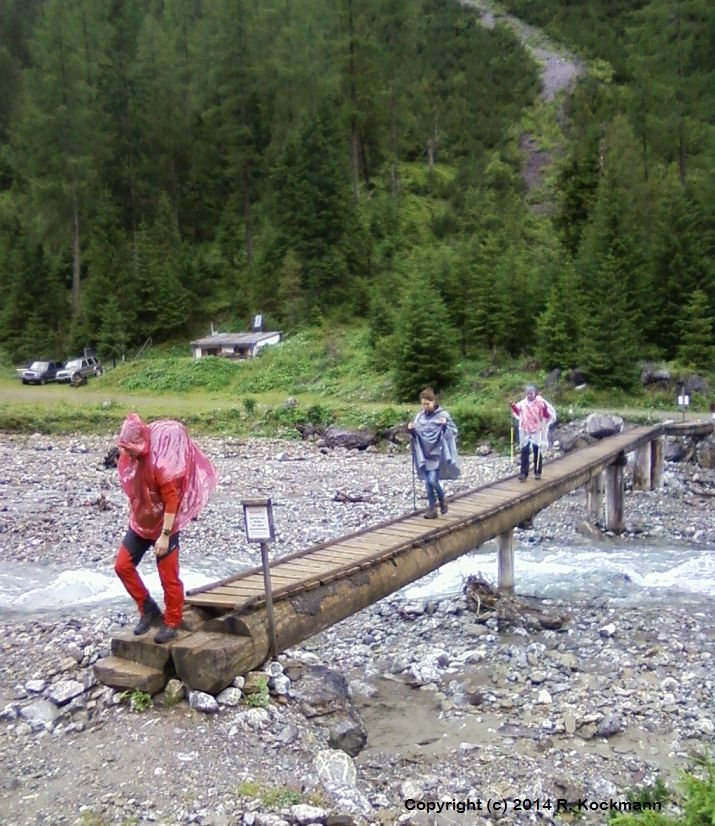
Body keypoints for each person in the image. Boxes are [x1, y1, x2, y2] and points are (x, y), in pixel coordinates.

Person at [114, 413, 218, 643]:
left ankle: (172, 621)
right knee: (122, 566)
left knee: (168, 577)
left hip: (165, 526)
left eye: (129, 448)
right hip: (141, 523)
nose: (126, 453)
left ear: (140, 444)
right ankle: (148, 609)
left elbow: (172, 502)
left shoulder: (162, 467)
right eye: (124, 448)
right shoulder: (132, 459)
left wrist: (165, 536)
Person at [408, 388, 460, 518]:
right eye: (423, 404)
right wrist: (411, 430)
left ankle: (442, 500)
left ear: (433, 402)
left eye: (428, 404)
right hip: (424, 455)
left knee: (432, 480)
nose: (425, 407)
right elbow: (417, 436)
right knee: (427, 482)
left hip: (437, 455)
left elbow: (452, 433)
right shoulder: (419, 417)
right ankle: (432, 509)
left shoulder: (443, 416)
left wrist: (444, 426)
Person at [510, 385, 556, 481]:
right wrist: (513, 406)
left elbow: (547, 415)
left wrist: (544, 410)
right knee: (524, 451)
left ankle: (537, 472)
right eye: (528, 393)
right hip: (525, 429)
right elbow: (518, 412)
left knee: (537, 451)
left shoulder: (540, 402)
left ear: (535, 393)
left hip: (537, 429)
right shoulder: (522, 403)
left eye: (531, 393)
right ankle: (523, 473)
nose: (530, 395)